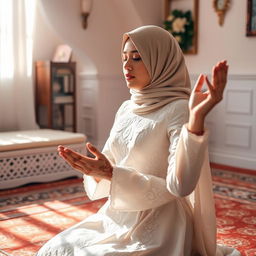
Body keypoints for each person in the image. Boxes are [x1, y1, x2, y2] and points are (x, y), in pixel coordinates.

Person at [36, 25, 241, 256]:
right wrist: (95, 169)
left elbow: (179, 186)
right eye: (124, 57)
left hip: (161, 224)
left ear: (160, 61)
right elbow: (108, 161)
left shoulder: (177, 109)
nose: (126, 64)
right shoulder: (126, 108)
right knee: (55, 248)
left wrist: (196, 118)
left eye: (137, 57)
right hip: (117, 216)